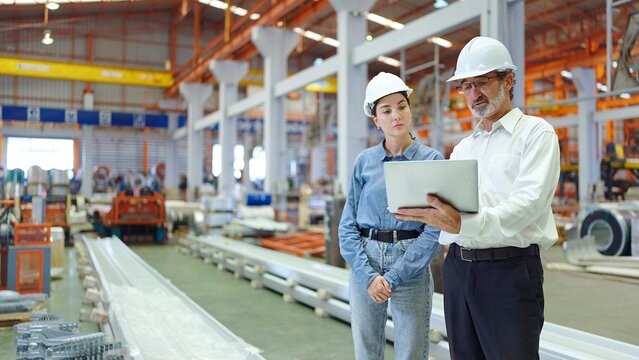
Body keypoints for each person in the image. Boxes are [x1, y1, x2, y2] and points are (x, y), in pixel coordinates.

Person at [395, 36, 560, 359]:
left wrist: (465, 223)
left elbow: (528, 204)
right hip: (458, 271)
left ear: (508, 80)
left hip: (509, 271)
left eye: (482, 83)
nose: (473, 94)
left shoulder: (535, 134)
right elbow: (452, 209)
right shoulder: (464, 148)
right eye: (466, 86)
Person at [339, 72, 443, 360]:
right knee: (367, 351)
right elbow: (347, 226)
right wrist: (368, 276)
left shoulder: (431, 161)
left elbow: (435, 229)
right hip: (366, 260)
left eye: (401, 106)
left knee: (411, 352)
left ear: (410, 110)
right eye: (386, 110)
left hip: (411, 261)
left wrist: (396, 275)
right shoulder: (365, 162)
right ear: (376, 120)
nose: (396, 115)